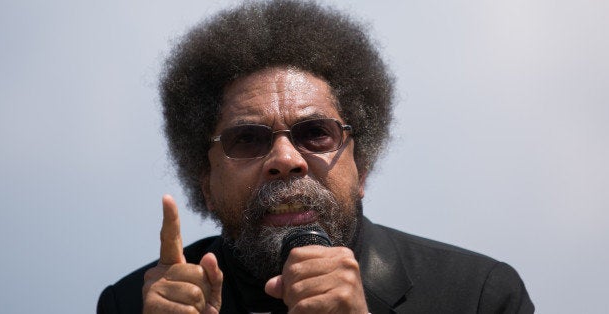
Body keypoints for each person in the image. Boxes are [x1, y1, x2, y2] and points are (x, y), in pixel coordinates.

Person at [98, 1, 534, 313]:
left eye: (315, 134)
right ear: (205, 185)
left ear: (361, 167)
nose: (286, 159)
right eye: (248, 139)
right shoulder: (131, 304)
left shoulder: (478, 296)